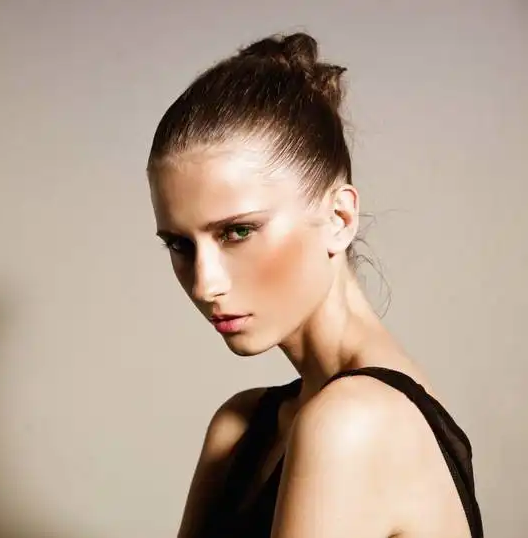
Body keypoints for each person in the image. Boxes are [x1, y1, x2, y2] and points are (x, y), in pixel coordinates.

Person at [146, 32, 484, 537]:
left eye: (238, 231)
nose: (204, 284)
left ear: (338, 218)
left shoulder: (354, 424)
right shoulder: (240, 427)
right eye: (179, 244)